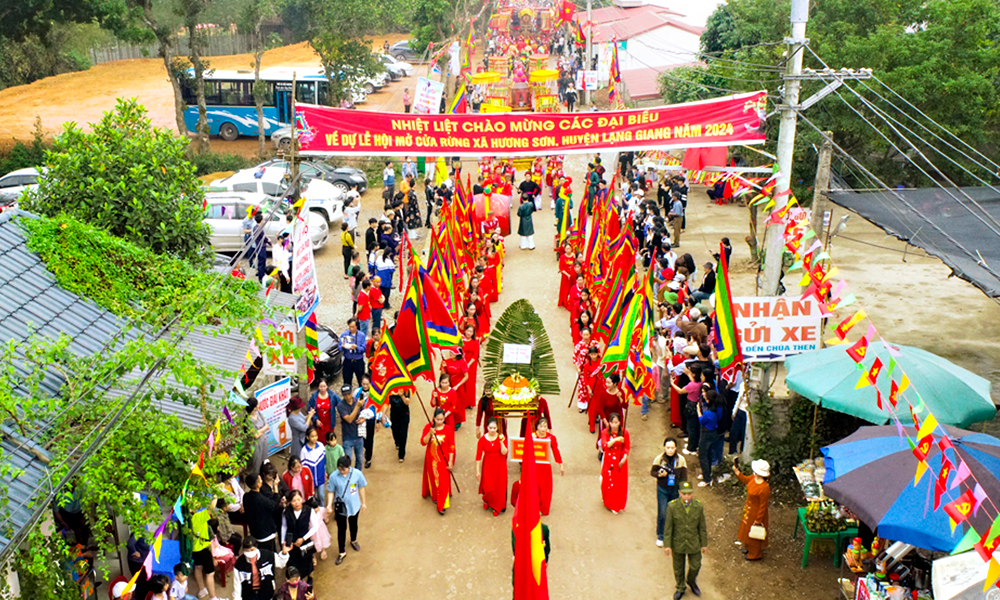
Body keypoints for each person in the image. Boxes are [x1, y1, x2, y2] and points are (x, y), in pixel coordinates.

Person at [662, 481, 708, 600]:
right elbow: (668, 527)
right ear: (679, 493)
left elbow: (702, 527)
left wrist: (704, 544)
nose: (686, 496)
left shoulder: (698, 506)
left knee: (695, 565)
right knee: (678, 567)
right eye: (684, 494)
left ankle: (691, 581)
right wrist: (667, 545)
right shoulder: (672, 506)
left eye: (689, 494)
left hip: (693, 542)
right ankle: (680, 587)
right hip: (678, 542)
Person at [324, 455, 368, 565]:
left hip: (354, 506)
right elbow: (331, 491)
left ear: (349, 467)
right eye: (340, 469)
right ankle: (342, 551)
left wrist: (363, 503)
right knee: (341, 529)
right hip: (341, 508)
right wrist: (329, 505)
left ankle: (353, 540)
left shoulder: (357, 474)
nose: (342, 471)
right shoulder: (334, 476)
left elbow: (361, 488)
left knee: (354, 525)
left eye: (344, 469)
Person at [652, 438, 688, 547]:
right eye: (668, 448)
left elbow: (684, 477)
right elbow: (652, 472)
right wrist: (659, 474)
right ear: (664, 448)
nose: (670, 450)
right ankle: (661, 535)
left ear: (676, 448)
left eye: (672, 448)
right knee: (662, 512)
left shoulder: (681, 460)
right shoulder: (659, 459)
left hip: (675, 490)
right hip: (662, 489)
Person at [734, 459, 771, 561]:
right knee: (747, 529)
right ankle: (748, 547)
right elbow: (746, 480)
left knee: (755, 533)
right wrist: (737, 472)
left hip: (756, 512)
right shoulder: (753, 478)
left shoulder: (764, 488)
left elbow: (763, 506)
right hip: (749, 509)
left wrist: (759, 519)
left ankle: (755, 554)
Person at [421, 408, 456, 515]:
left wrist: (450, 461)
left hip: (444, 459)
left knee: (443, 481)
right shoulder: (428, 427)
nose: (440, 421)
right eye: (438, 419)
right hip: (431, 459)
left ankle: (442, 505)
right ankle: (435, 496)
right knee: (433, 478)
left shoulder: (449, 429)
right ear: (434, 418)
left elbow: (451, 446)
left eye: (442, 419)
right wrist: (429, 434)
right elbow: (423, 442)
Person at [281, 490, 318, 581]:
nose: (297, 503)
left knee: (307, 561)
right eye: (294, 501)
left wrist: (304, 538)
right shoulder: (286, 512)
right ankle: (294, 580)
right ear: (290, 502)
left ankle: (310, 578)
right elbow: (284, 526)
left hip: (305, 540)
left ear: (302, 499)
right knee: (293, 561)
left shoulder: (309, 510)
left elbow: (315, 526)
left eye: (298, 499)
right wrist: (283, 542)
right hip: (292, 541)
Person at [475, 418, 509, 516]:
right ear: (487, 427)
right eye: (490, 428)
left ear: (497, 428)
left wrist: (501, 441)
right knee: (488, 487)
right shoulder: (482, 440)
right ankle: (486, 500)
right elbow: (478, 456)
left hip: (500, 466)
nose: (493, 430)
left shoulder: (501, 438)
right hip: (488, 466)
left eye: (494, 428)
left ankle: (497, 507)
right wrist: (477, 471)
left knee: (499, 488)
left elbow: (505, 452)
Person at [599, 413, 630, 513]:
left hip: (620, 460)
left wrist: (624, 457)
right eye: (612, 422)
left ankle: (617, 504)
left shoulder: (625, 432)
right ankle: (608, 502)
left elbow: (627, 447)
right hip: (608, 459)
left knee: (619, 483)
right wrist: (616, 439)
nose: (614, 425)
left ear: (620, 423)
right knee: (608, 481)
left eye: (616, 422)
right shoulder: (605, 432)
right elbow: (605, 445)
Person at [190, 501, 219, 600]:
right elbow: (211, 509)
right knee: (210, 573)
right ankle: (213, 597)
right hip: (203, 548)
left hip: (194, 547)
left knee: (198, 567)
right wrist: (215, 496)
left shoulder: (187, 519)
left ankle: (202, 589)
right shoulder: (198, 517)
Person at [534, 418, 563, 516]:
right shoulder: (532, 436)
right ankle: (534, 508)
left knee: (546, 489)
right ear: (537, 427)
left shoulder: (551, 438)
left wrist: (560, 464)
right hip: (534, 466)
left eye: (545, 426)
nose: (543, 428)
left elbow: (555, 450)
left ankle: (544, 509)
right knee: (534, 488)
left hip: (545, 467)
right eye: (541, 426)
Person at [243, 474, 279, 552]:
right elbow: (274, 505)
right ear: (258, 484)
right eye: (260, 479)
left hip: (254, 531)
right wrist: (275, 488)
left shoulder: (246, 497)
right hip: (266, 533)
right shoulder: (260, 499)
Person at [696, 391, 724, 487]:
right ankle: (707, 473)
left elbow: (701, 421)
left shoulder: (708, 413)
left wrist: (698, 411)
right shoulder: (718, 409)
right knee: (709, 454)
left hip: (706, 434)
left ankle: (707, 479)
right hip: (713, 433)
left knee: (703, 455)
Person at [337, 383, 365, 471]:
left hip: (359, 435)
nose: (347, 396)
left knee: (360, 459)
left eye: (349, 394)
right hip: (347, 438)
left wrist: (363, 419)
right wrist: (357, 406)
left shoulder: (358, 401)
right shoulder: (340, 406)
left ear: (352, 393)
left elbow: (364, 413)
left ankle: (357, 476)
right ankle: (348, 479)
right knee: (348, 461)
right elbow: (349, 419)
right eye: (345, 395)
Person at [299, 427, 326, 501]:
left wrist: (325, 471)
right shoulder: (304, 451)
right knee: (312, 498)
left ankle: (322, 509)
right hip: (311, 479)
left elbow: (324, 460)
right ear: (307, 437)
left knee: (321, 496)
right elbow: (303, 468)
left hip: (320, 477)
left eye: (316, 435)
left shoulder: (321, 446)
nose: (315, 438)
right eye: (312, 436)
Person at [340, 318, 367, 388]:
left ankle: (362, 396)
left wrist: (356, 347)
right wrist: (343, 346)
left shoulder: (361, 335)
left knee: (361, 381)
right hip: (348, 361)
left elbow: (364, 349)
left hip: (358, 361)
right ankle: (347, 397)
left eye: (352, 327)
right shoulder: (344, 334)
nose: (351, 329)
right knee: (346, 382)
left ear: (356, 326)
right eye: (349, 327)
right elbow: (339, 347)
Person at [286, 396, 312, 461]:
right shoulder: (292, 418)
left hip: (304, 438)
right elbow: (304, 428)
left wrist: (309, 415)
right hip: (298, 441)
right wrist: (309, 417)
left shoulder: (298, 413)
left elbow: (304, 419)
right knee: (298, 459)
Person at [389, 390, 411, 462]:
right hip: (394, 415)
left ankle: (401, 455)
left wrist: (402, 396)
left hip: (404, 415)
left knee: (403, 434)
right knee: (395, 431)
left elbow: (407, 402)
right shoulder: (390, 389)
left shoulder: (406, 389)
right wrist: (382, 416)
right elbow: (387, 404)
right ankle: (397, 442)